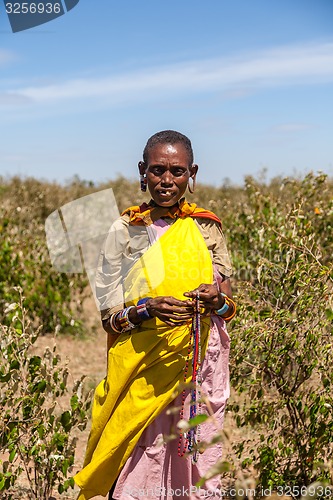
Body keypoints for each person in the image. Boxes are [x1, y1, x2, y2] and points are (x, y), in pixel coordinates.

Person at [74, 130, 235, 500]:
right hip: (145, 368)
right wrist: (147, 309)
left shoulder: (206, 227)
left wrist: (215, 301)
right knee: (143, 453)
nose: (167, 181)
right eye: (158, 170)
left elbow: (230, 305)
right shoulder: (125, 229)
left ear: (192, 173)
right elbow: (109, 317)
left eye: (177, 171)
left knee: (197, 454)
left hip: (200, 364)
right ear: (142, 171)